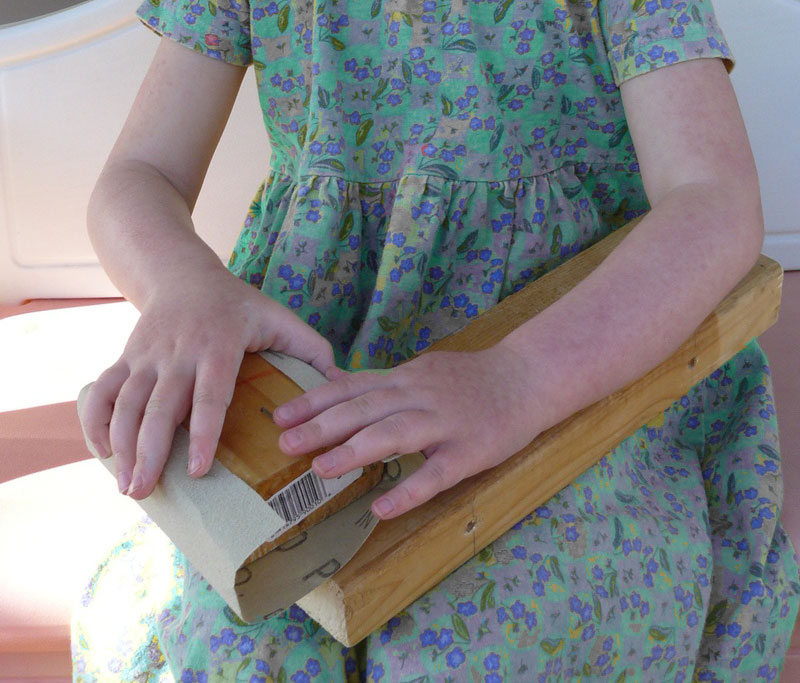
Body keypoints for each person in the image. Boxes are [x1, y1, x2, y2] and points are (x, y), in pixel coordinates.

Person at [72, 0, 799, 679]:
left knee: (489, 640)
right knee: (227, 639)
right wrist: (183, 288)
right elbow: (141, 174)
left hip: (570, 348)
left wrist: (517, 379)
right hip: (323, 346)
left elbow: (714, 200)